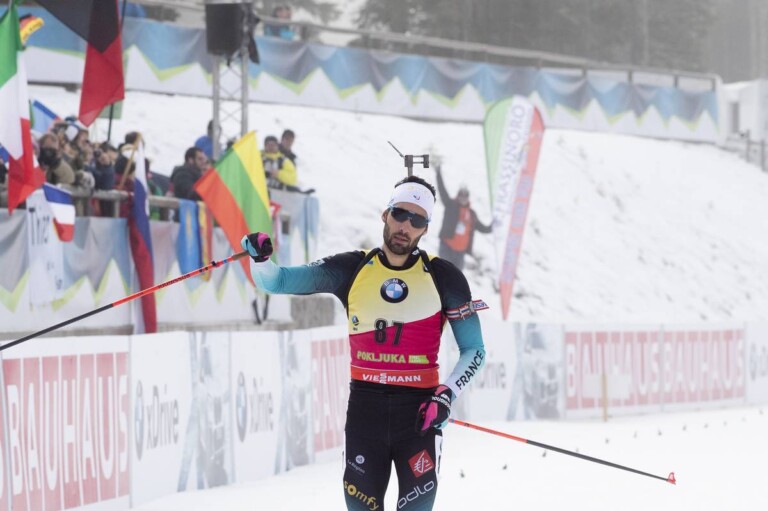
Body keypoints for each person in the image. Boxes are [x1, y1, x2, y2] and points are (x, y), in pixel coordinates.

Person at [240, 175, 487, 510]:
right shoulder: (351, 268)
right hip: (365, 413)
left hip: (419, 415)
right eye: (400, 214)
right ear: (385, 214)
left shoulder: (444, 277)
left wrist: (446, 394)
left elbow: (474, 350)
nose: (405, 226)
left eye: (417, 220)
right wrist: (260, 259)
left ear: (425, 229)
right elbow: (278, 281)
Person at [434, 165, 492, 271]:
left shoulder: (472, 214)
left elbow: (482, 228)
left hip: (460, 253)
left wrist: (493, 227)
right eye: (461, 196)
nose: (463, 198)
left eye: (465, 196)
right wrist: (438, 173)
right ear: (458, 196)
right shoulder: (451, 205)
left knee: (457, 277)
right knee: (444, 273)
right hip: (447, 247)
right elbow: (442, 191)